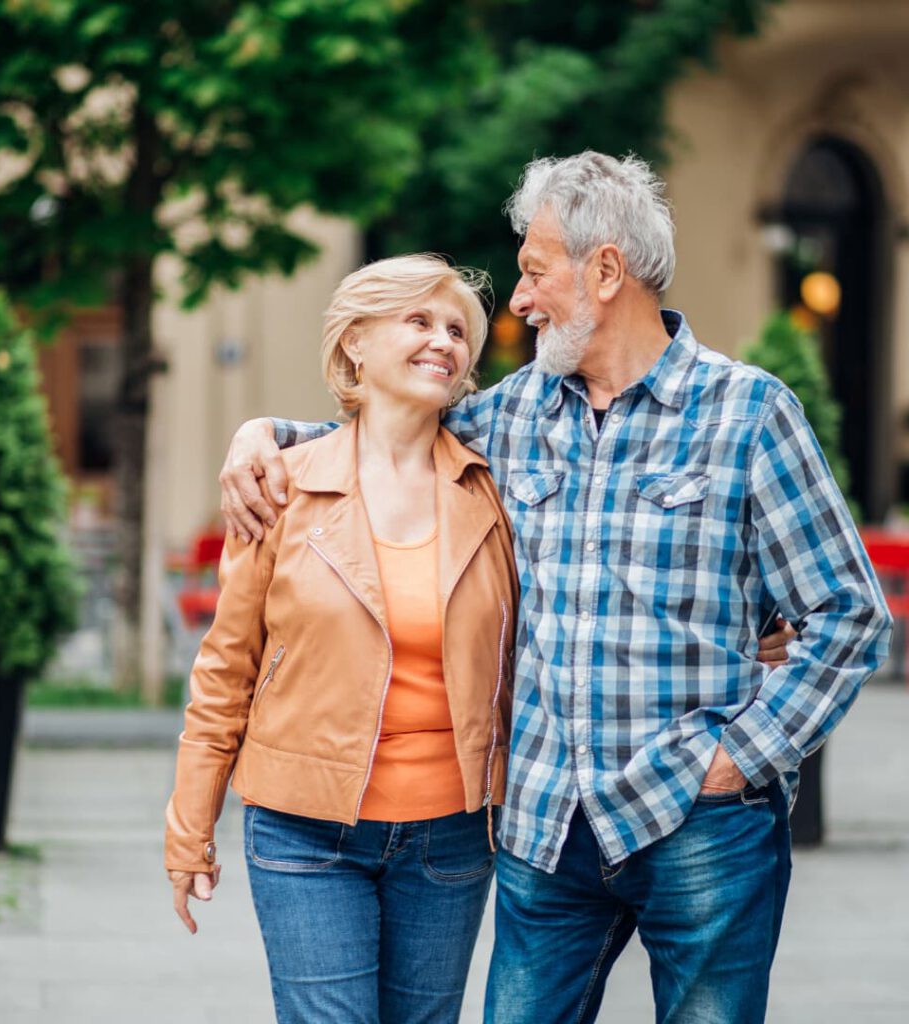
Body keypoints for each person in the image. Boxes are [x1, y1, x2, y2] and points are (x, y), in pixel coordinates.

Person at [218, 151, 891, 1024]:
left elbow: (847, 615)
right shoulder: (513, 413)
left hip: (700, 824)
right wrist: (259, 435)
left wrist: (744, 758)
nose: (521, 299)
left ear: (606, 271)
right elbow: (375, 432)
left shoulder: (749, 414)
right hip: (545, 826)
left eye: (535, 272)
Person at [166, 254, 520, 1024]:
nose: (444, 342)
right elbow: (226, 670)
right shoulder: (280, 486)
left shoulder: (492, 490)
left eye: (457, 329)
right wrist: (190, 826)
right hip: (304, 830)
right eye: (418, 320)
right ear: (355, 342)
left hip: (452, 837)